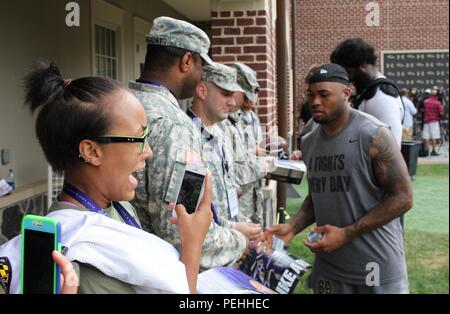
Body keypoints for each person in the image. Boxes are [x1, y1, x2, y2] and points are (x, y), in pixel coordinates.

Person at [0, 61, 213, 294]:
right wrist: (192, 243)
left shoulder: (117, 206)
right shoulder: (80, 262)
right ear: (91, 151)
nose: (149, 151)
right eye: (139, 138)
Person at [266, 64, 413, 294]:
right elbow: (318, 194)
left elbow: (404, 197)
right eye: (310, 94)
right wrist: (293, 227)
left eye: (324, 94)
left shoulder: (373, 134)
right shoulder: (309, 139)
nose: (315, 101)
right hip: (330, 267)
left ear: (347, 93)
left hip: (375, 266)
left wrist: (347, 233)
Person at [129, 16, 247, 269]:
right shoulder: (175, 126)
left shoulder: (121, 104)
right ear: (186, 61)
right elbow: (182, 229)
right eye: (201, 67)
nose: (201, 75)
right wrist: (239, 241)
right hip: (162, 274)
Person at [189, 62, 263, 243]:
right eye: (225, 94)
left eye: (233, 94)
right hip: (208, 252)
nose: (232, 102)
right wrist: (234, 229)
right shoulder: (187, 139)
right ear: (202, 91)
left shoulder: (220, 133)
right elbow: (187, 214)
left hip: (230, 242)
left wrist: (240, 225)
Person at [330, 38, 404, 147]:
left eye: (349, 72)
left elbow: (391, 149)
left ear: (364, 65)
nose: (346, 77)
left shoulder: (382, 98)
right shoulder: (367, 92)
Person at [422, 86, 444, 156]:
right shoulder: (438, 103)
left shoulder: (425, 102)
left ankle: (426, 151)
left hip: (426, 121)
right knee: (434, 136)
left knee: (426, 136)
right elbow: (441, 113)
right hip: (434, 121)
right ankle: (433, 151)